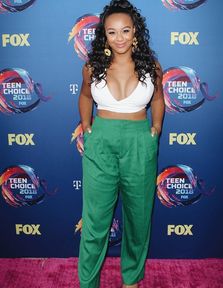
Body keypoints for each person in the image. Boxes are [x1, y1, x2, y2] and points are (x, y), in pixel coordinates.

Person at [78, 0, 165, 287]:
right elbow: (86, 97)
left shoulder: (152, 67)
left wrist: (155, 128)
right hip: (101, 141)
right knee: (95, 222)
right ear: (104, 34)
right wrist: (87, 126)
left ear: (135, 32)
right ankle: (88, 282)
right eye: (112, 32)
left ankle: (131, 279)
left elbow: (158, 99)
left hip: (140, 142)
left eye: (125, 31)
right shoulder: (92, 67)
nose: (119, 38)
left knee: (139, 218)